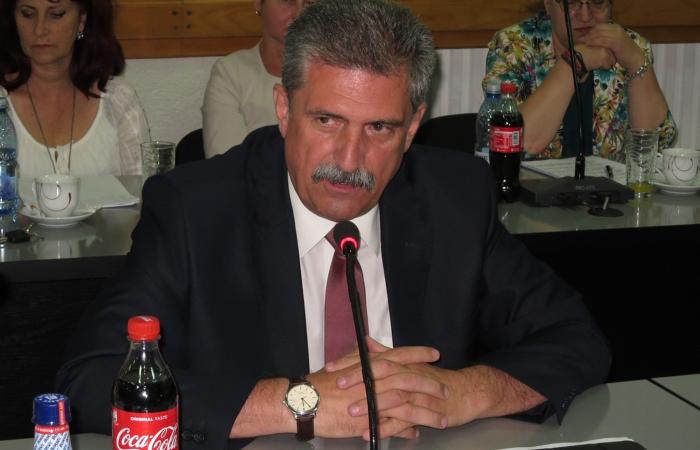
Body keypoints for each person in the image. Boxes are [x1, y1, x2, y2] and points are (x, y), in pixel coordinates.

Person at [57, 1, 610, 448]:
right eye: (326, 120)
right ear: (283, 108)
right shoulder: (194, 211)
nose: (348, 161)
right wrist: (302, 403)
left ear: (413, 126)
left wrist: (458, 395)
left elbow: (576, 338)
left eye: (380, 129)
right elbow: (90, 379)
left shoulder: (455, 199)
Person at [483, 0, 677, 161]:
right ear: (548, 4)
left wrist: (635, 61)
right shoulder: (513, 46)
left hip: (610, 193)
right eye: (572, 3)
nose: (585, 16)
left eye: (597, 2)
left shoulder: (629, 46)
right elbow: (517, 143)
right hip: (531, 191)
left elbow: (655, 148)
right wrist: (573, 64)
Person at [0, 0, 149, 178]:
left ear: (81, 20)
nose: (39, 30)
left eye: (56, 14)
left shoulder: (118, 100)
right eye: (28, 14)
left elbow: (143, 188)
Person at [201, 0, 311, 158]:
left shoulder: (336, 73)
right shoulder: (231, 73)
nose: (299, 14)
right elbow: (226, 163)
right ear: (259, 3)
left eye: (309, 3)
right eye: (287, 1)